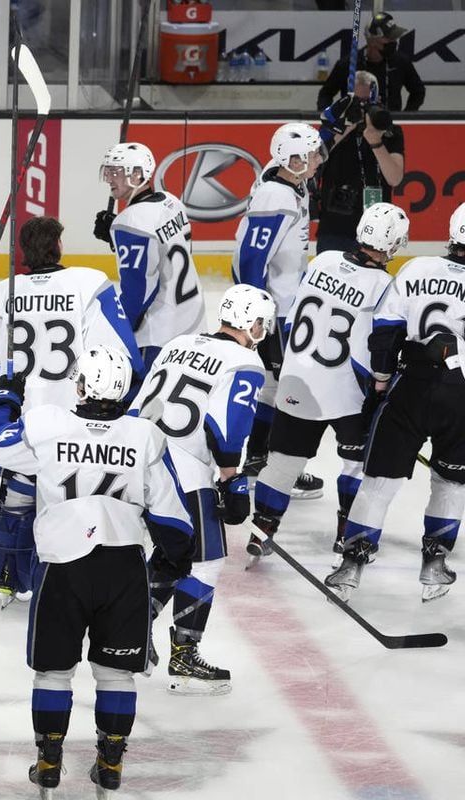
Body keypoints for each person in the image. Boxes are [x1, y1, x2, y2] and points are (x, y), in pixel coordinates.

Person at [0, 346, 194, 797]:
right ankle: (111, 762)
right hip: (123, 566)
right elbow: (175, 526)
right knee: (116, 674)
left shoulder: (46, 424)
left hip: (63, 565)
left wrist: (5, 396)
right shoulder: (145, 435)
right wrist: (166, 569)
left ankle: (49, 760)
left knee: (53, 673)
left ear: (80, 386)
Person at [0, 215, 142, 602]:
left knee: (20, 493)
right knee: (74, 500)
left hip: (20, 421)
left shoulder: (4, 293)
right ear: (59, 247)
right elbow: (121, 356)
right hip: (79, 418)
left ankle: (8, 575)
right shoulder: (90, 284)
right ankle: (67, 577)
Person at [129, 284, 273, 696]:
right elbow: (226, 426)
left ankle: (134, 637)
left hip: (138, 457)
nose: (262, 330)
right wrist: (231, 475)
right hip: (181, 468)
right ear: (251, 323)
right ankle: (184, 658)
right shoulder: (244, 361)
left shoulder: (179, 342)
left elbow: (141, 402)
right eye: (261, 323)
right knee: (206, 562)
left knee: (174, 554)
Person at [247, 203, 405, 563]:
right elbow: (383, 342)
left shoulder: (323, 261)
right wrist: (382, 382)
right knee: (354, 464)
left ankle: (262, 529)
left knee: (283, 461)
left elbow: (289, 320)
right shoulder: (384, 284)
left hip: (297, 376)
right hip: (347, 390)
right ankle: (346, 536)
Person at [325, 203, 465, 603]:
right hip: (461, 397)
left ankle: (351, 564)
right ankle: (434, 564)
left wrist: (383, 381)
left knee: (378, 482)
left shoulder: (416, 268)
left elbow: (384, 332)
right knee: (451, 482)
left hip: (410, 388)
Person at [231, 123, 325, 499]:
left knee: (272, 390)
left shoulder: (288, 182)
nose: (319, 159)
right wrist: (257, 316)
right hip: (276, 311)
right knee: (285, 391)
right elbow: (251, 258)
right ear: (294, 161)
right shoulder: (276, 196)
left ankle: (259, 459)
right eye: (314, 154)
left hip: (283, 305)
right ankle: (273, 464)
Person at [93, 142, 205, 370]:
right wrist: (116, 237)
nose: (110, 179)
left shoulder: (130, 222)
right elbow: (162, 250)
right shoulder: (171, 201)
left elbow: (138, 293)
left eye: (117, 172)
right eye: (108, 172)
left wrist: (120, 335)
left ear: (137, 174)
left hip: (160, 335)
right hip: (194, 319)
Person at [316, 73, 406, 255]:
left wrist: (376, 142)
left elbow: (395, 178)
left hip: (377, 229)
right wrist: (346, 127)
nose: (362, 108)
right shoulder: (332, 130)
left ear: (378, 99)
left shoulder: (390, 131)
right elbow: (316, 160)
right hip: (334, 225)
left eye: (367, 102)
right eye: (357, 102)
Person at [316, 12, 425, 113]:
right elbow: (326, 94)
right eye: (389, 38)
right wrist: (329, 118)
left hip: (389, 125)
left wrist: (406, 118)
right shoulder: (348, 64)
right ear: (372, 40)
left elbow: (418, 91)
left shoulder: (401, 62)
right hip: (353, 126)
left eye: (394, 38)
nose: (394, 41)